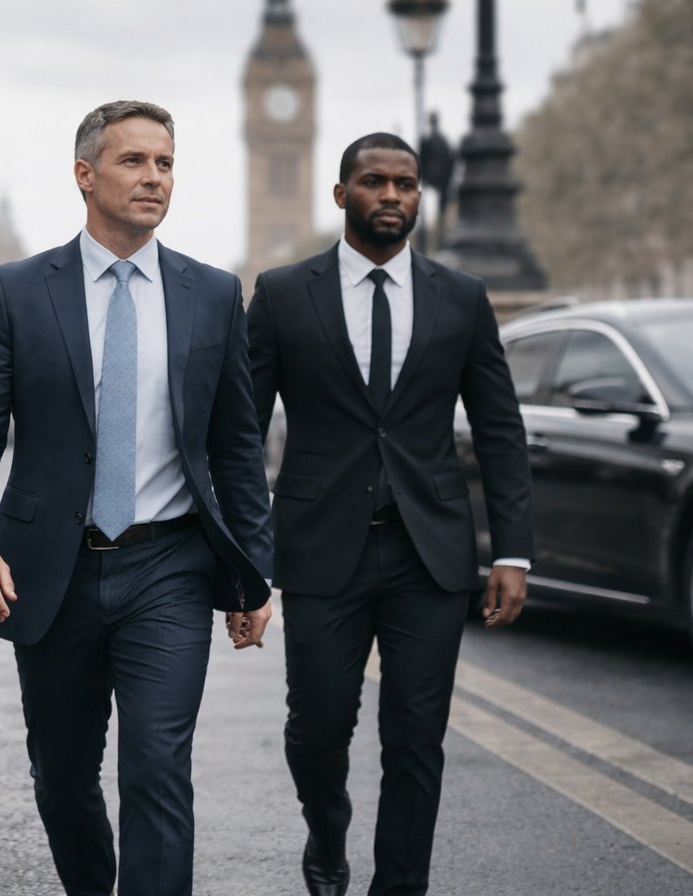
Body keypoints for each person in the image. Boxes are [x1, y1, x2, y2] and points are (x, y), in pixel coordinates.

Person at [0, 100, 275, 896]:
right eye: (133, 161)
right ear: (85, 175)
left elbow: (236, 446)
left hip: (170, 567)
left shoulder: (213, 293)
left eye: (164, 163)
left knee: (158, 766)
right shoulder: (19, 290)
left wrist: (256, 572)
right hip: (49, 571)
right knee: (62, 775)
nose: (154, 178)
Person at [244, 133, 533, 896]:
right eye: (375, 182)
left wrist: (513, 551)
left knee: (415, 739)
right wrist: (243, 556)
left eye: (406, 184)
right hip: (317, 549)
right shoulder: (280, 293)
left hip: (428, 553)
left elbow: (500, 429)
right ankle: (327, 827)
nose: (394, 196)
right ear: (342, 194)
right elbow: (241, 429)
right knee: (318, 728)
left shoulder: (462, 298)